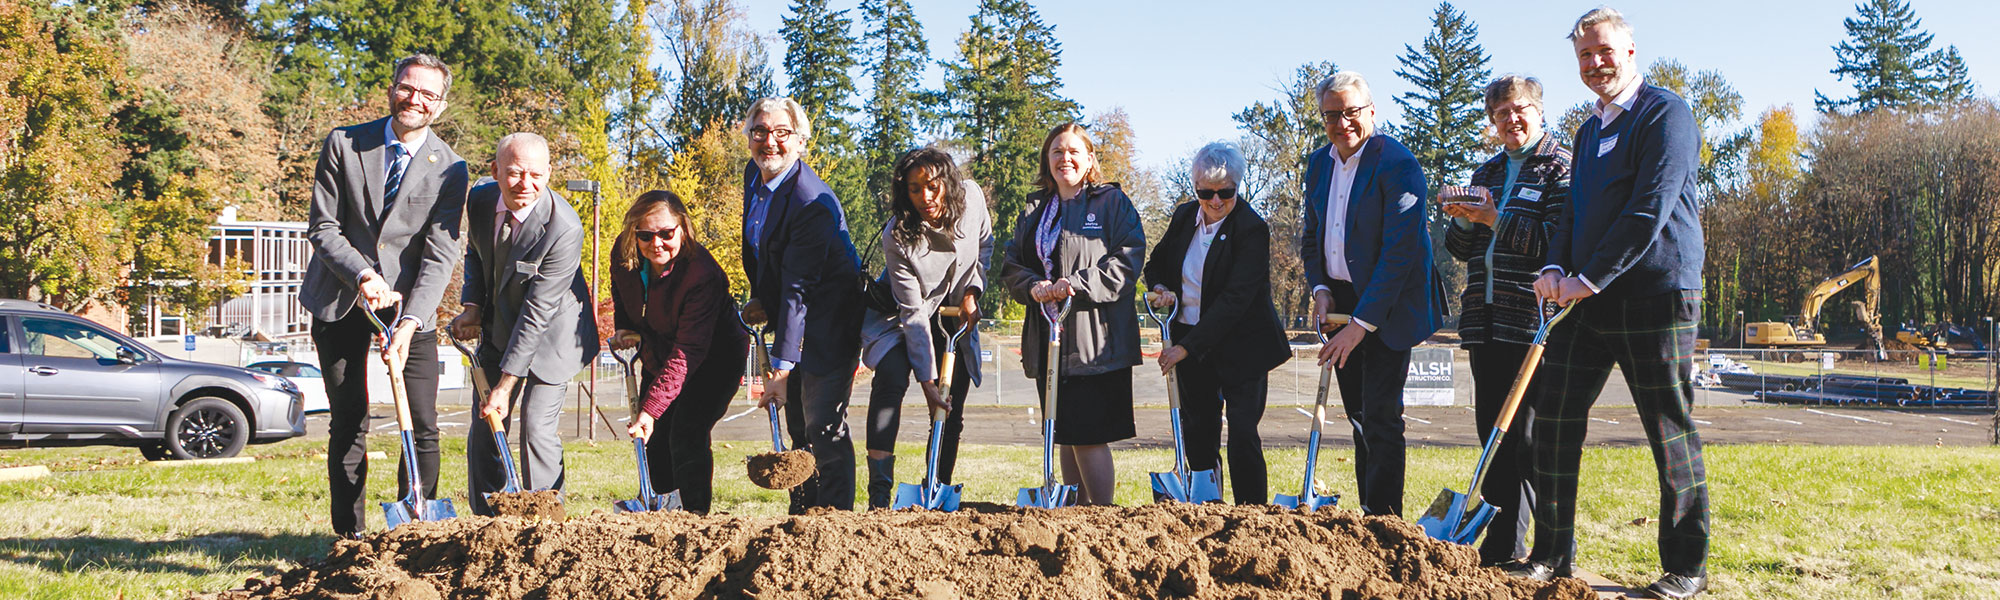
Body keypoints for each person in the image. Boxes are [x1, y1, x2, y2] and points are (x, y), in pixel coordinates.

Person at [1509, 8, 1711, 599]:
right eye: (1583, 55)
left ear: (1629, 51)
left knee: (1667, 430)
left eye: (1603, 51)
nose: (1594, 63)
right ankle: (1550, 554)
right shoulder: (1588, 130)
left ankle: (1686, 569)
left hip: (1657, 293)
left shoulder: (1665, 114)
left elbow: (1648, 210)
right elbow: (1573, 210)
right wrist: (1554, 265)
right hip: (1587, 299)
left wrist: (1586, 278)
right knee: (1554, 421)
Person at [299, 54, 467, 539]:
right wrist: (363, 275)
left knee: (423, 421)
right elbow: (324, 226)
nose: (415, 100)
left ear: (441, 105)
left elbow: (440, 255)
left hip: (409, 305)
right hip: (342, 295)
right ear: (392, 87)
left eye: (428, 94)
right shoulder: (345, 144)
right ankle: (348, 539)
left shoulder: (450, 168)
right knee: (349, 420)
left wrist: (412, 322)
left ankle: (412, 535)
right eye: (407, 88)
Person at [1439, 74, 1572, 567]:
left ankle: (1547, 549)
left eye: (1520, 110)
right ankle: (1500, 547)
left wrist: (1495, 220)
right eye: (1500, 114)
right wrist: (1460, 217)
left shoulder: (1560, 168)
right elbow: (1460, 251)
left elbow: (1556, 244)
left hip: (1534, 323)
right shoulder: (1489, 170)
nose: (1511, 120)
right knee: (1492, 434)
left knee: (1530, 440)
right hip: (1485, 318)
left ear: (1539, 110)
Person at [1300, 71, 1444, 518]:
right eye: (1331, 115)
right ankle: (1368, 513)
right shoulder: (1319, 164)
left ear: (1371, 111)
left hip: (1389, 306)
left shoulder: (1397, 163)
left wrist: (1360, 325)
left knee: (1381, 418)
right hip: (1340, 303)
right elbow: (1311, 237)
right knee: (1360, 417)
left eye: (1351, 112)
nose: (1342, 123)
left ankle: (1386, 522)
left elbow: (1400, 254)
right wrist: (1322, 290)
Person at [447, 132, 599, 516]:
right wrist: (472, 306)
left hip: (554, 334)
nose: (525, 185)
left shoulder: (563, 228)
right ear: (496, 170)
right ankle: (489, 520)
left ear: (549, 173)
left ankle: (546, 521)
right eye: (514, 173)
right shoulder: (480, 200)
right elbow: (477, 254)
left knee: (535, 426)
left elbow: (538, 312)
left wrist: (506, 384)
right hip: (501, 325)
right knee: (486, 424)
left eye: (536, 175)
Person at [1000, 122, 1145, 506]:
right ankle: (1078, 518)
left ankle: (1101, 515)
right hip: (1048, 343)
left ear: (1089, 158)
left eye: (1073, 152)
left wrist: (1076, 284)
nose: (1065, 158)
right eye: (1057, 152)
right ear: (1047, 160)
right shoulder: (1035, 210)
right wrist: (1032, 285)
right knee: (1063, 433)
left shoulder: (1111, 204)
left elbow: (1127, 262)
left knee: (1088, 434)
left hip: (1094, 344)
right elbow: (1011, 263)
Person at [1142, 142, 1290, 505]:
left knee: (1242, 433)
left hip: (1243, 345)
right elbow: (1156, 264)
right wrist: (1160, 287)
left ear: (1237, 186)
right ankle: (1207, 508)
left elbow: (1235, 299)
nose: (1215, 201)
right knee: (1198, 432)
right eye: (1206, 193)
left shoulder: (1252, 228)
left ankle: (1252, 513)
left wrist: (1185, 348)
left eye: (1225, 192)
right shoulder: (1183, 218)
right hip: (1191, 341)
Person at [737, 97, 866, 513]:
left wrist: (780, 370)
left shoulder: (811, 201)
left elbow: (799, 288)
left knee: (822, 423)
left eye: (781, 133)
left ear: (800, 141)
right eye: (759, 132)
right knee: (795, 423)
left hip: (830, 320)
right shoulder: (755, 178)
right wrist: (759, 297)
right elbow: (762, 250)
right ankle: (802, 516)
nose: (768, 142)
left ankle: (834, 520)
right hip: (792, 314)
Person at [858, 147, 993, 508]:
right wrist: (927, 382)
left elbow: (984, 244)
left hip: (956, 315)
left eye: (932, 186)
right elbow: (912, 312)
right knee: (890, 377)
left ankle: (936, 487)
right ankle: (879, 496)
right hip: (902, 316)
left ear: (947, 183)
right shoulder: (898, 235)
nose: (925, 197)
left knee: (951, 405)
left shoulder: (973, 198)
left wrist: (973, 293)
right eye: (914, 189)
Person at [608, 190, 750, 514]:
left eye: (666, 234)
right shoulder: (623, 252)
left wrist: (651, 409)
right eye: (645, 235)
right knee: (655, 441)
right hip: (660, 350)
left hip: (714, 357)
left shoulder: (702, 274)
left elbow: (688, 352)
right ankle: (663, 514)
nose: (655, 243)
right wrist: (623, 327)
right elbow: (621, 291)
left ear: (682, 228)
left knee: (686, 430)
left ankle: (694, 518)